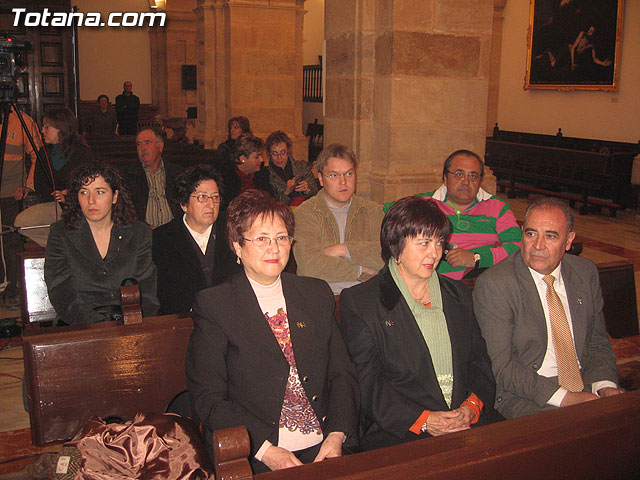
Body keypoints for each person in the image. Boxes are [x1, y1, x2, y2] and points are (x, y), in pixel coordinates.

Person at [186, 189, 358, 474]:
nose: (274, 248)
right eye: (262, 239)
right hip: (255, 450)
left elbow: (342, 373)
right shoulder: (215, 305)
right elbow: (208, 397)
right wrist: (265, 450)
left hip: (326, 441)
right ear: (237, 246)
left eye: (281, 238)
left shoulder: (314, 293)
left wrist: (338, 434)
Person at [340, 196, 501, 451]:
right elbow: (367, 384)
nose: (435, 253)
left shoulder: (457, 294)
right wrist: (424, 420)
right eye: (424, 243)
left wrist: (471, 406)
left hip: (465, 422)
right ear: (396, 245)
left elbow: (479, 361)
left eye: (439, 242)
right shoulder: (362, 303)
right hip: (400, 430)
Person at [473, 197, 622, 419]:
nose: (538, 246)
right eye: (531, 234)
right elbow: (502, 366)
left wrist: (605, 385)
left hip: (583, 383)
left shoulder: (584, 272)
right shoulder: (497, 284)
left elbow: (597, 342)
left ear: (569, 240)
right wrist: (566, 398)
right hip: (525, 395)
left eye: (550, 236)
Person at [44, 163, 159, 325]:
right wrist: (95, 324)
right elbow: (61, 289)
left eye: (100, 192)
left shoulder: (139, 233)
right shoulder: (61, 233)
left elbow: (146, 288)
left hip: (129, 319)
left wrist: (136, 324)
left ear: (115, 196)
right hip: (79, 321)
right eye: (84, 192)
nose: (91, 201)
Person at [383, 149, 521, 280]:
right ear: (445, 178)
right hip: (431, 281)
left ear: (480, 181)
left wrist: (477, 258)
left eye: (473, 176)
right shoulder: (424, 204)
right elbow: (379, 210)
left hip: (478, 282)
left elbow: (518, 246)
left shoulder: (497, 207)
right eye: (459, 174)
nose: (466, 182)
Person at [293, 144, 384, 294]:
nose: (343, 182)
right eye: (334, 175)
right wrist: (361, 271)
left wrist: (345, 250)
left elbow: (387, 255)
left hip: (364, 295)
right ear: (321, 179)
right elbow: (311, 266)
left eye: (349, 174)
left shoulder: (372, 211)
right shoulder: (305, 213)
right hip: (320, 296)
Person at [152, 165, 240, 315]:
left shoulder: (234, 230)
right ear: (184, 204)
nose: (211, 205)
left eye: (215, 197)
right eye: (202, 197)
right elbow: (163, 292)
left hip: (231, 316)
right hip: (183, 320)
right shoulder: (162, 238)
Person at [15, 107, 93, 247]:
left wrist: (68, 194)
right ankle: (63, 247)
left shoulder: (82, 152)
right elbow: (40, 184)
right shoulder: (44, 152)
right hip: (53, 204)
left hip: (77, 205)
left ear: (60, 128)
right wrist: (53, 194)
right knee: (22, 223)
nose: (42, 131)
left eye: (46, 127)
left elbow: (89, 183)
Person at [0, 106, 42, 308]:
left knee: (10, 240)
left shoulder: (22, 121)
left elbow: (38, 155)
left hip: (10, 193)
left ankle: (13, 288)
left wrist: (29, 183)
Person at [123, 128, 182, 226]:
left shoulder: (176, 173)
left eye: (147, 143)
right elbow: (126, 211)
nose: (143, 148)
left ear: (160, 146)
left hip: (174, 231)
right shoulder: (128, 175)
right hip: (143, 234)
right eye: (139, 144)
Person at [218, 134, 275, 206]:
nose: (261, 160)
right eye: (257, 157)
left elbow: (271, 201)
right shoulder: (226, 179)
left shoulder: (262, 175)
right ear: (242, 158)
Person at [266, 130, 319, 206]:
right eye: (274, 154)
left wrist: (307, 189)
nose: (279, 157)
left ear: (288, 150)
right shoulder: (266, 175)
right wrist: (287, 192)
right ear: (269, 154)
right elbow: (271, 206)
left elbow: (315, 192)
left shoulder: (302, 167)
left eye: (283, 152)